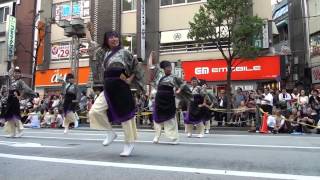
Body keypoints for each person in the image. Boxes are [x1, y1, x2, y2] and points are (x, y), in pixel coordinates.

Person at [88, 31, 142, 157]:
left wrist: (130, 79)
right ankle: (110, 132)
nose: (114, 39)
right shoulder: (103, 53)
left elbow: (136, 67)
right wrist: (87, 30)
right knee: (94, 111)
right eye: (111, 37)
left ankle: (129, 143)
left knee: (126, 117)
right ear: (106, 40)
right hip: (108, 87)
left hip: (121, 87)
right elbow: (91, 44)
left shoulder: (125, 52)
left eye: (116, 36)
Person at [152, 60, 187, 144]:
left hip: (169, 98)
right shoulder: (159, 76)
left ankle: (174, 138)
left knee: (171, 118)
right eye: (167, 67)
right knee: (157, 118)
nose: (169, 69)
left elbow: (183, 83)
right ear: (164, 69)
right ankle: (157, 136)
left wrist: (179, 90)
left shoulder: (174, 77)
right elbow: (151, 69)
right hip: (159, 98)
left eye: (170, 67)